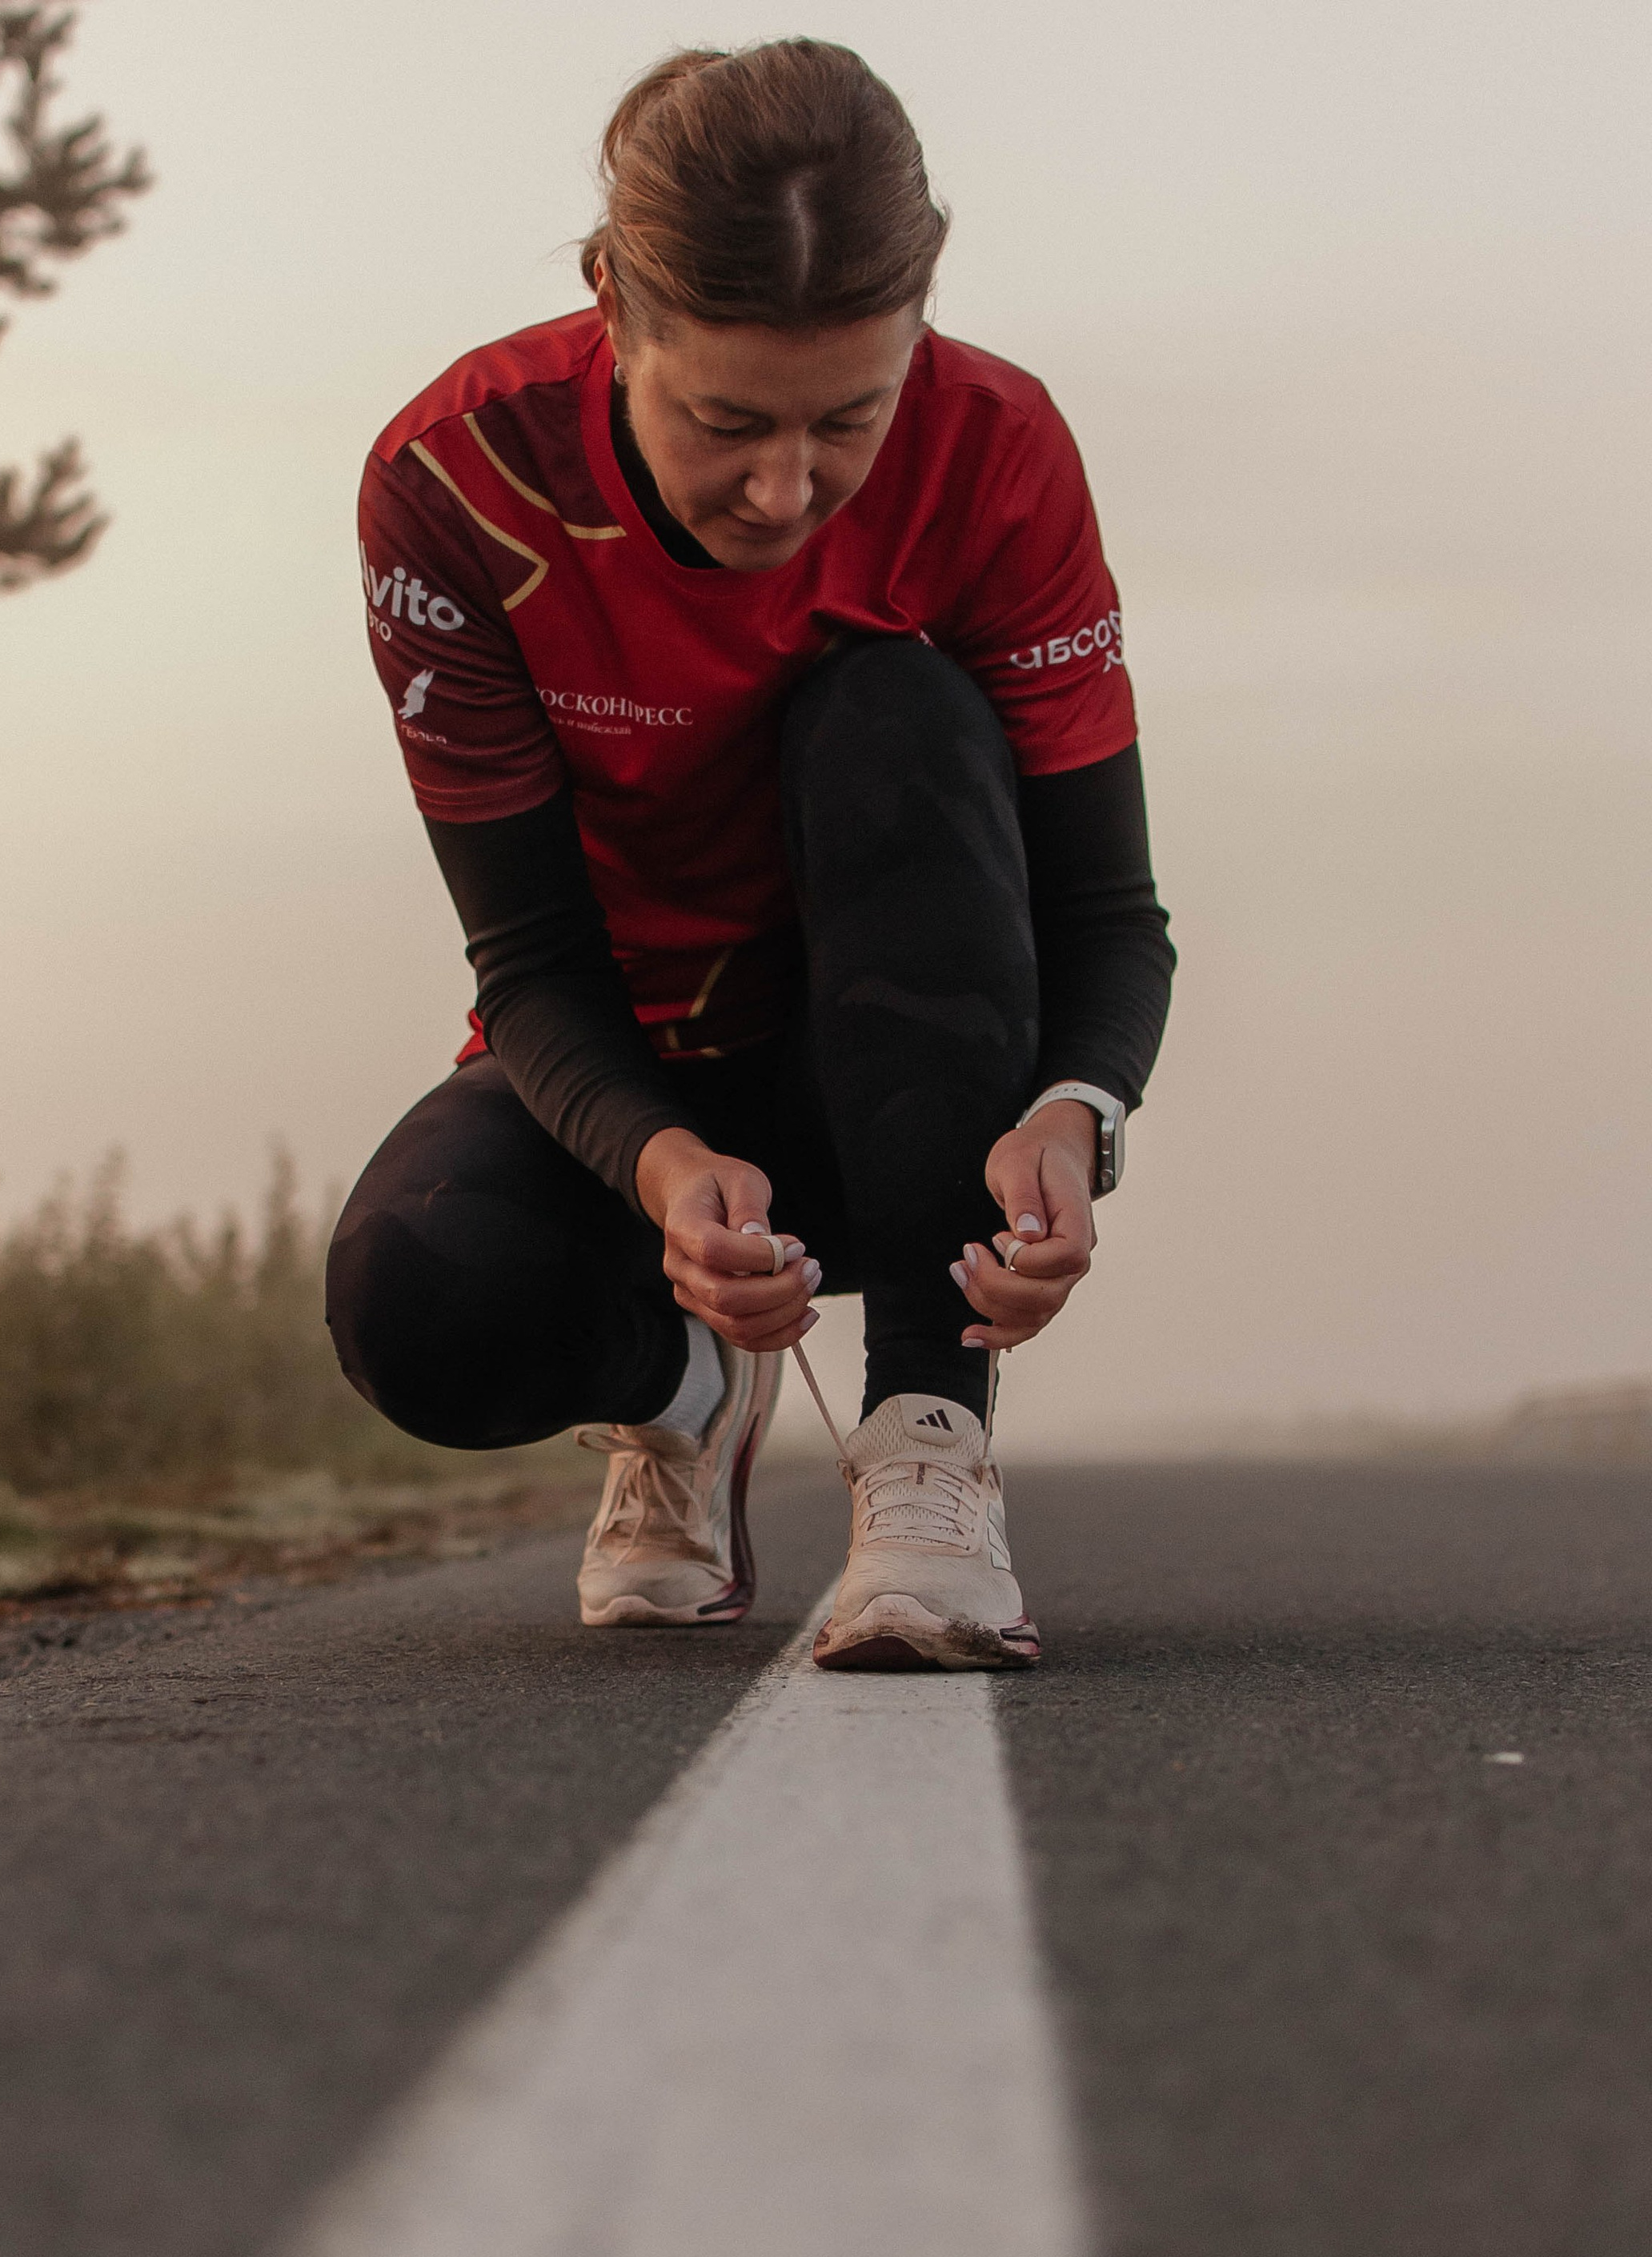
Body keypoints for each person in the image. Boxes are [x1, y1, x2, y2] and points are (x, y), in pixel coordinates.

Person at [327, 38, 1172, 1670]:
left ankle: (927, 1443)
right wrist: (655, 1167)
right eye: (724, 420)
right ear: (610, 306)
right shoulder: (453, 480)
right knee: (415, 1305)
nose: (786, 488)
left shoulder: (995, 450)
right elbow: (528, 965)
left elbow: (1102, 910)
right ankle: (687, 1399)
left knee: (890, 705)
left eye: (850, 417)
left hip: (901, 1094)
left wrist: (1076, 1107)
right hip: (632, 1080)